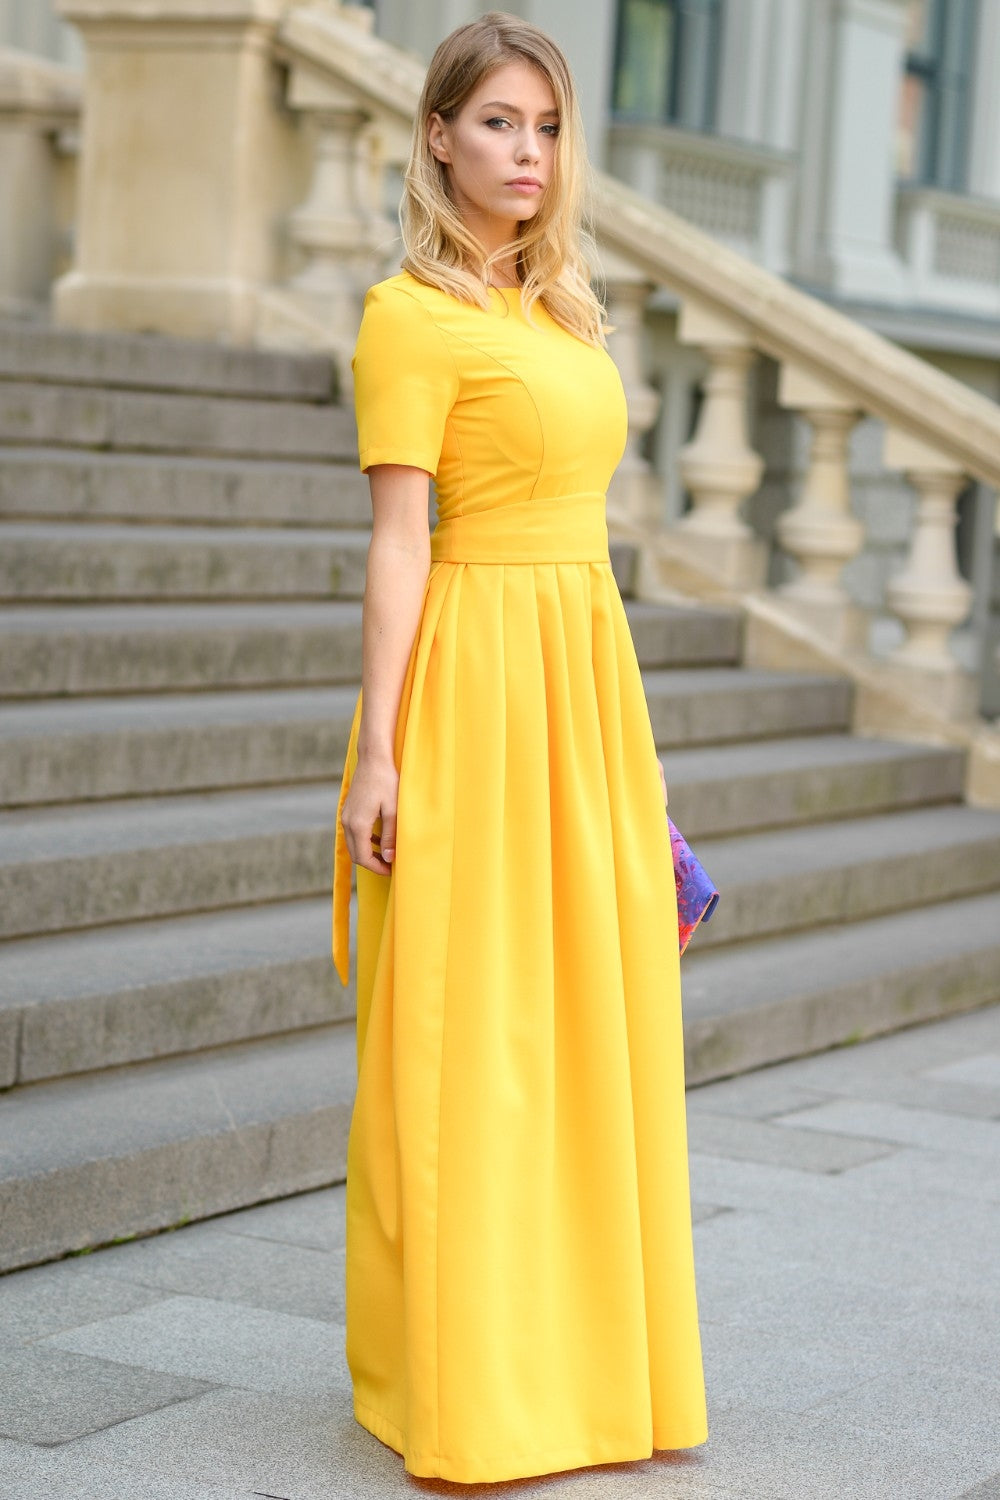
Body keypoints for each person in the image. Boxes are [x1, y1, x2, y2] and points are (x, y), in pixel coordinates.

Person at [331, 11, 707, 1484]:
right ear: (437, 134)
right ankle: (470, 1389)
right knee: (470, 1037)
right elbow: (397, 548)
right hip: (471, 687)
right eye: (497, 123)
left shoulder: (564, 315)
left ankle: (596, 1375)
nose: (528, 154)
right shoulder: (406, 317)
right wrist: (380, 755)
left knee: (592, 1025)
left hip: (585, 681)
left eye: (546, 128)